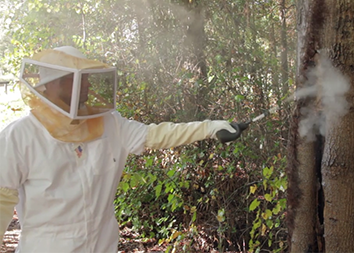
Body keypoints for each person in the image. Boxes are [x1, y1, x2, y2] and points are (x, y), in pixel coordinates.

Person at [0, 46, 239, 253]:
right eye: (76, 78)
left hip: (102, 245)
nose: (86, 85)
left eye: (87, 77)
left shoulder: (110, 123)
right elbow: (2, 199)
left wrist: (210, 127)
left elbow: (156, 135)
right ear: (50, 85)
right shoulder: (19, 136)